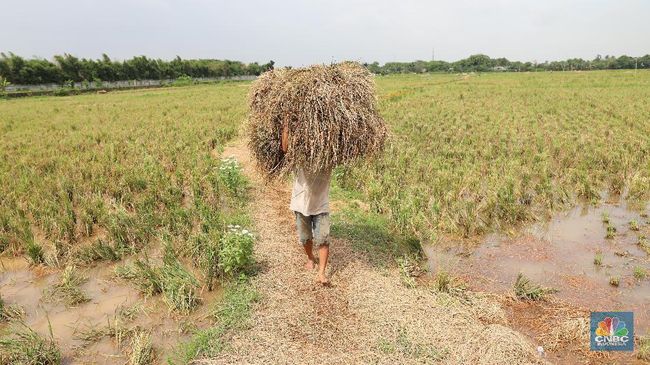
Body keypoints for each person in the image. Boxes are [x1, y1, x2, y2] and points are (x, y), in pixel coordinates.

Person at [281, 122, 331, 285]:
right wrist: (287, 127)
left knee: (323, 238)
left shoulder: (328, 157)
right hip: (300, 203)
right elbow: (285, 148)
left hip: (321, 204)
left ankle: (321, 272)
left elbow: (349, 149)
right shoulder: (300, 156)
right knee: (305, 237)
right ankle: (310, 258)